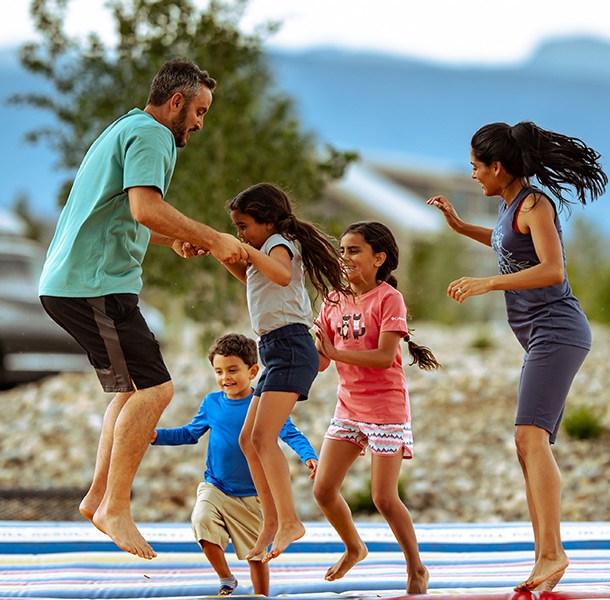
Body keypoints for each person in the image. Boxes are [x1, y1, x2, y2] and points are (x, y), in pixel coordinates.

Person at [38, 57, 248, 560]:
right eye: (199, 111)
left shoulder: (124, 128)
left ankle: (98, 499)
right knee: (157, 389)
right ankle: (116, 507)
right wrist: (213, 238)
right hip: (94, 285)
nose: (200, 123)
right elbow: (145, 207)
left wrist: (171, 240)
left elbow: (121, 215)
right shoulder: (153, 135)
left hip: (77, 283)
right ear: (176, 102)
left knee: (134, 389)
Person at [427, 121, 607, 593]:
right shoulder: (510, 206)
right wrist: (459, 226)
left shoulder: (534, 204)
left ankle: (552, 553)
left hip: (557, 330)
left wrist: (488, 283)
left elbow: (552, 269)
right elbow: (505, 241)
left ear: (497, 166)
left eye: (475, 167)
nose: (472, 175)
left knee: (530, 437)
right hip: (540, 335)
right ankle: (547, 552)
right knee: (528, 444)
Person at [222, 182, 351, 562]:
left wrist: (247, 250)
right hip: (274, 349)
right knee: (248, 441)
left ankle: (290, 520)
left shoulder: (279, 244)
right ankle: (272, 520)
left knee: (263, 438)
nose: (240, 234)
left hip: (291, 347)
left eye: (243, 226)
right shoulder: (263, 250)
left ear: (267, 221)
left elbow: (279, 275)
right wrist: (222, 252)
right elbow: (251, 277)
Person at [313, 221, 439, 595]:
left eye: (354, 250)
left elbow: (385, 357)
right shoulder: (332, 300)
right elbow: (321, 361)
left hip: (386, 410)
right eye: (342, 250)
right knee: (323, 490)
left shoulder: (388, 299)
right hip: (348, 408)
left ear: (378, 258)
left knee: (383, 497)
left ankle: (416, 568)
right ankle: (354, 547)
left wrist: (335, 353)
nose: (345, 257)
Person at [151, 333, 318, 596]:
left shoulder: (264, 405)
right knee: (201, 521)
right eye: (218, 372)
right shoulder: (212, 403)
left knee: (257, 554)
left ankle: (261, 595)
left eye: (232, 370)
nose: (225, 378)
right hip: (216, 487)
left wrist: (308, 455)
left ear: (253, 371)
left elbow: (290, 432)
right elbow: (189, 433)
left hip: (252, 495)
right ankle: (226, 578)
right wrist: (155, 436)